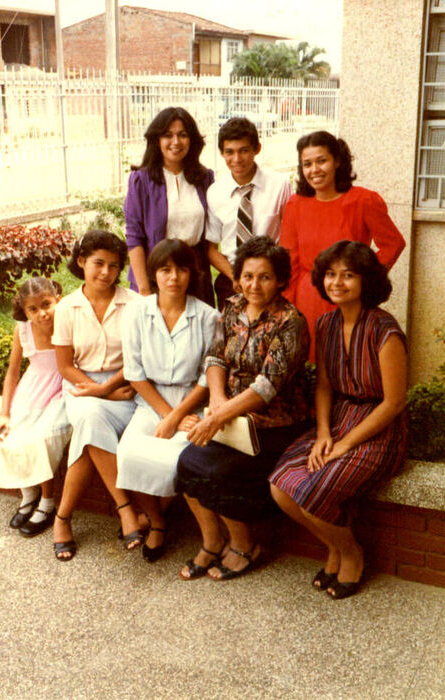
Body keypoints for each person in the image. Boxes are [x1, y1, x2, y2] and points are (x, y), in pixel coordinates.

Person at [269, 241, 408, 600]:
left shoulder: (384, 329)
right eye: (331, 274)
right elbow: (325, 387)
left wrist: (346, 444)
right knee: (281, 486)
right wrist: (323, 434)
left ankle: (351, 552)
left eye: (348, 275)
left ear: (367, 281)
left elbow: (393, 403)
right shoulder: (327, 324)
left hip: (379, 430)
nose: (337, 282)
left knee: (315, 491)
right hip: (338, 421)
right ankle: (333, 544)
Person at [176, 237, 310, 581]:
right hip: (230, 416)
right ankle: (211, 541)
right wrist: (217, 400)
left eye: (264, 277)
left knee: (219, 472)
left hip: (272, 424)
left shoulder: (291, 322)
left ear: (280, 279)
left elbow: (267, 386)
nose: (254, 285)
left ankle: (244, 545)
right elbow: (216, 356)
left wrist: (219, 415)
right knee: (186, 461)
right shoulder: (233, 306)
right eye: (248, 276)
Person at [117, 240, 218, 563]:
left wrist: (179, 416)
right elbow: (134, 373)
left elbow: (208, 376)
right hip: (151, 401)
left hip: (193, 402)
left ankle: (208, 536)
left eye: (182, 269)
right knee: (130, 453)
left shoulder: (208, 317)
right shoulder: (136, 313)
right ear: (154, 274)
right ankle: (157, 522)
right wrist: (167, 415)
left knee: (180, 458)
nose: (173, 277)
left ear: (193, 273)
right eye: (165, 270)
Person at [51, 230, 140, 561]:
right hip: (81, 383)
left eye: (114, 266)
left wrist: (109, 390)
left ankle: (63, 518)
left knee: (88, 433)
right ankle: (126, 508)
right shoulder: (66, 308)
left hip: (126, 384)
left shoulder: (134, 304)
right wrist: (99, 391)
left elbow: (138, 362)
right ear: (81, 262)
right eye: (98, 263)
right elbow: (65, 365)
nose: (106, 272)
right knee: (88, 414)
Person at [280, 130, 405, 359]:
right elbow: (290, 262)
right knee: (309, 366)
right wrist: (287, 309)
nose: (314, 169)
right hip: (308, 299)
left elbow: (393, 244)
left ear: (337, 161)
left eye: (321, 161)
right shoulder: (295, 204)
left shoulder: (363, 200)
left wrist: (365, 280)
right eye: (307, 164)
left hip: (349, 297)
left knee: (348, 361)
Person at [0, 277, 71, 536]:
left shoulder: (67, 321)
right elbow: (13, 372)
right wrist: (4, 413)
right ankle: (28, 493)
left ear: (57, 298)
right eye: (33, 309)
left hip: (62, 390)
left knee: (40, 440)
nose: (41, 313)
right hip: (33, 388)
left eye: (46, 304)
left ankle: (47, 502)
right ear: (24, 311)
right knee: (8, 436)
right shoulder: (22, 330)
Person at [124, 106, 215, 306]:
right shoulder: (141, 180)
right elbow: (134, 237)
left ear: (192, 140)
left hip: (194, 275)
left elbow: (211, 236)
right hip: (154, 276)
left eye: (182, 135)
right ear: (157, 140)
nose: (176, 142)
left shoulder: (204, 178)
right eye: (168, 135)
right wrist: (144, 289)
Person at [205, 117, 292, 310]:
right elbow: (211, 249)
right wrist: (235, 276)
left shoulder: (279, 185)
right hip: (232, 280)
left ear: (257, 149)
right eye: (229, 152)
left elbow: (290, 238)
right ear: (221, 152)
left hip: (270, 281)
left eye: (244, 150)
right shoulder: (215, 192)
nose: (236, 159)